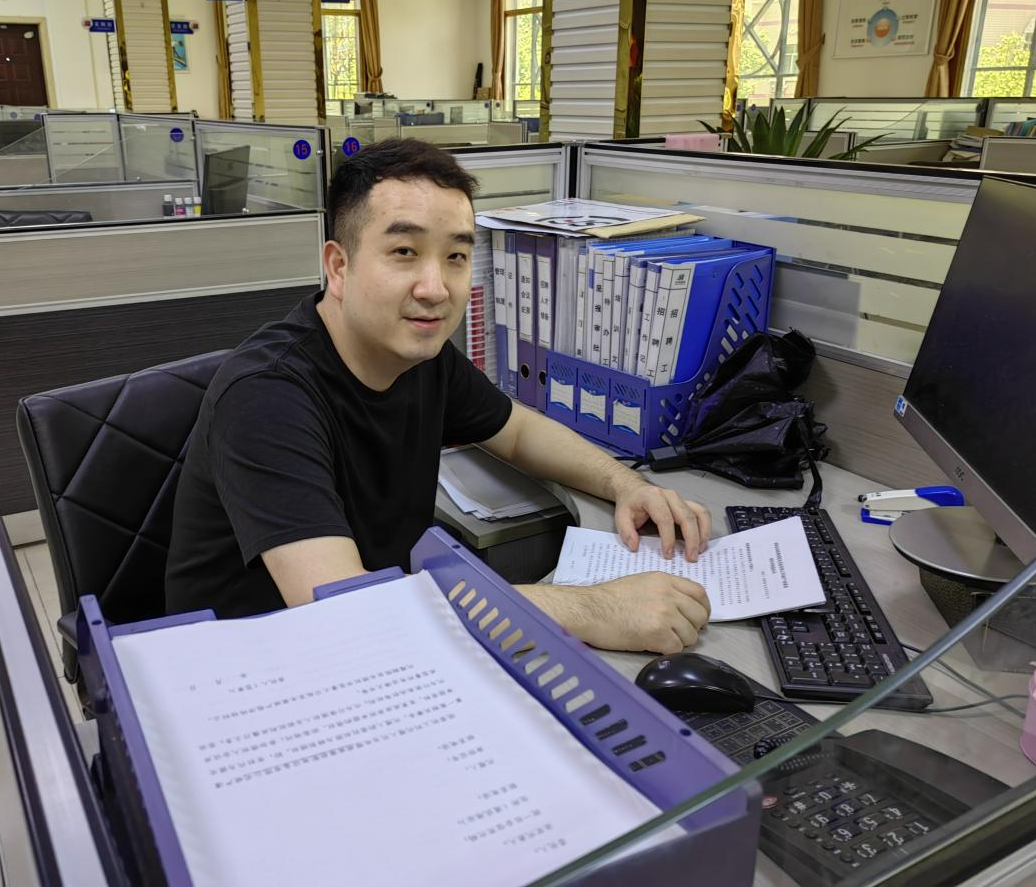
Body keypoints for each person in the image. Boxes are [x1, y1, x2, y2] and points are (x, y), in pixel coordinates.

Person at [165, 138, 712, 653]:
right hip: (261, 667)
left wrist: (625, 484)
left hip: (380, 641)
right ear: (339, 266)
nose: (435, 289)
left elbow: (518, 431)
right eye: (404, 251)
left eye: (455, 257)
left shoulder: (419, 356)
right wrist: (596, 609)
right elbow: (349, 613)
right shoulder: (266, 397)